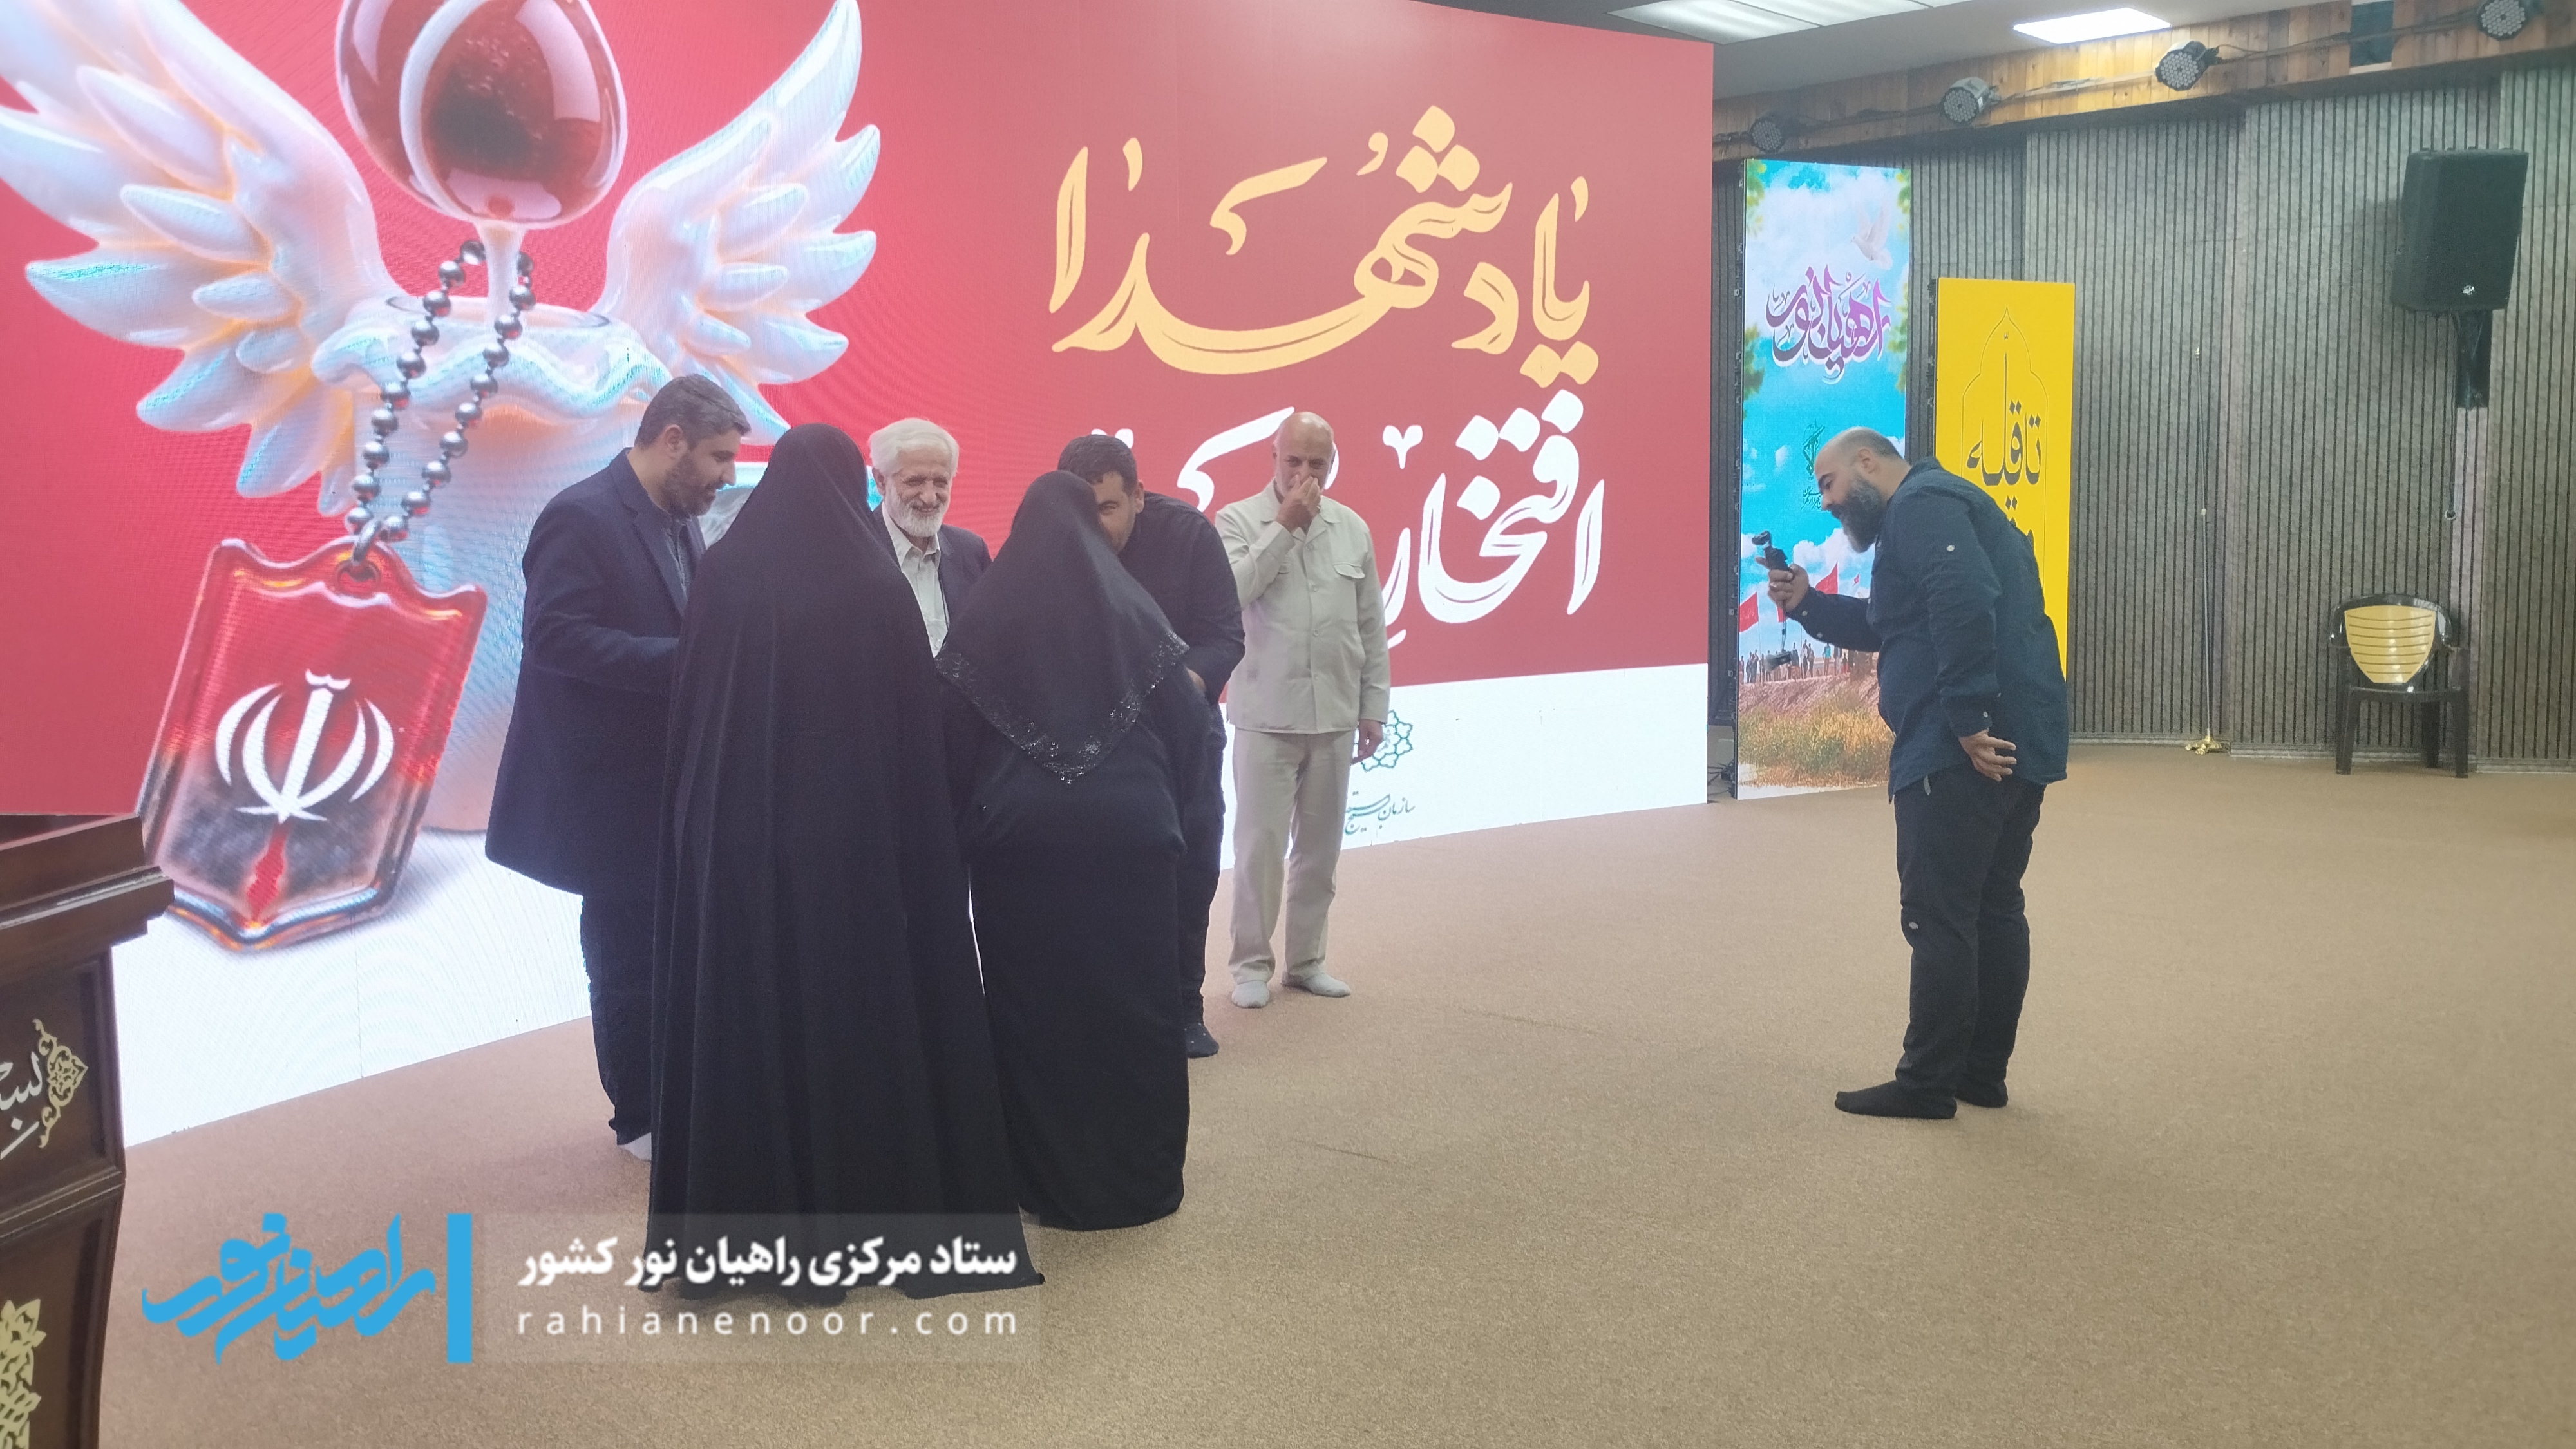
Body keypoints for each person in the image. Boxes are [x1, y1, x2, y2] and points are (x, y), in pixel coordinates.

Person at [649, 422, 1036, 1297]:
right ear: (854, 483)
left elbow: (696, 722)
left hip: (739, 852)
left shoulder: (725, 572)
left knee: (752, 1018)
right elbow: (910, 746)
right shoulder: (873, 584)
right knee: (854, 1020)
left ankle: (743, 1238)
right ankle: (869, 1207)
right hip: (853, 859)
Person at [1766, 427, 2069, 1120]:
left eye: (1829, 484)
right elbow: (1898, 624)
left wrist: (1964, 716)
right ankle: (1980, 1075)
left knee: (1941, 916)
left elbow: (1963, 594)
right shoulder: (1949, 505)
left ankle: (1927, 1082)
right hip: (2020, 736)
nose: (1826, 503)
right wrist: (1808, 603)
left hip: (1958, 747)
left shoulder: (1920, 505)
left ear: (1867, 462)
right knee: (1994, 907)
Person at [937, 473, 1207, 1230]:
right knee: (1137, 1007)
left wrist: (969, 829)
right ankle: (1140, 1183)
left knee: (1036, 1013)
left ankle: (1049, 1183)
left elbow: (948, 744)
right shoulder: (1135, 612)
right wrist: (1165, 814)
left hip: (1021, 850)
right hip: (1133, 841)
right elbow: (1190, 731)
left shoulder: (986, 618)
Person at [488, 374, 746, 1160]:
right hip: (605, 792)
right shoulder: (581, 514)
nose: (728, 474)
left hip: (663, 786)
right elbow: (554, 637)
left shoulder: (678, 520)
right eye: (718, 457)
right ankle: (637, 1116)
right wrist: (689, 662)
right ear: (671, 440)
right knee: (626, 957)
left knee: (666, 952)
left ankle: (672, 1097)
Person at [1059, 433, 1244, 1060]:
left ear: (1138, 495)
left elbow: (1224, 637)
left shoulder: (1189, 535)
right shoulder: (1053, 541)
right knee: (1101, 877)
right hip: (1093, 739)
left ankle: (1185, 1007)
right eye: (1083, 511)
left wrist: (1169, 690)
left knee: (1190, 867)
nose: (1096, 526)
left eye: (1109, 508)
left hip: (1182, 731)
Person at [1215, 411, 1389, 1009]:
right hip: (1266, 713)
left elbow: (1369, 625)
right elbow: (1231, 594)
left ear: (1332, 463)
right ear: (1274, 457)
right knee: (1259, 849)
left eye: (1317, 463)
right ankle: (1250, 966)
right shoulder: (1237, 520)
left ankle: (1308, 961)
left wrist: (1373, 705)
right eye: (1294, 461)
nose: (1304, 473)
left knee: (1319, 851)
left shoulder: (1352, 528)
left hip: (1335, 711)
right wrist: (1285, 525)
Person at [869, 417, 990, 651]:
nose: (930, 497)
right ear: (881, 481)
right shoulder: (857, 554)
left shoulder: (972, 552)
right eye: (915, 481)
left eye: (940, 482)